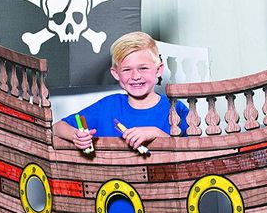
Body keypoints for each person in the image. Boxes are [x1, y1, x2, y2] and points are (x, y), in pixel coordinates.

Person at [53, 31, 189, 151]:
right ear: (116, 74)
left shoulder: (176, 109)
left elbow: (189, 151)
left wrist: (156, 133)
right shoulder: (107, 106)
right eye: (127, 70)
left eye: (143, 68)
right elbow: (58, 127)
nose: (135, 76)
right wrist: (76, 136)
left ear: (158, 70)